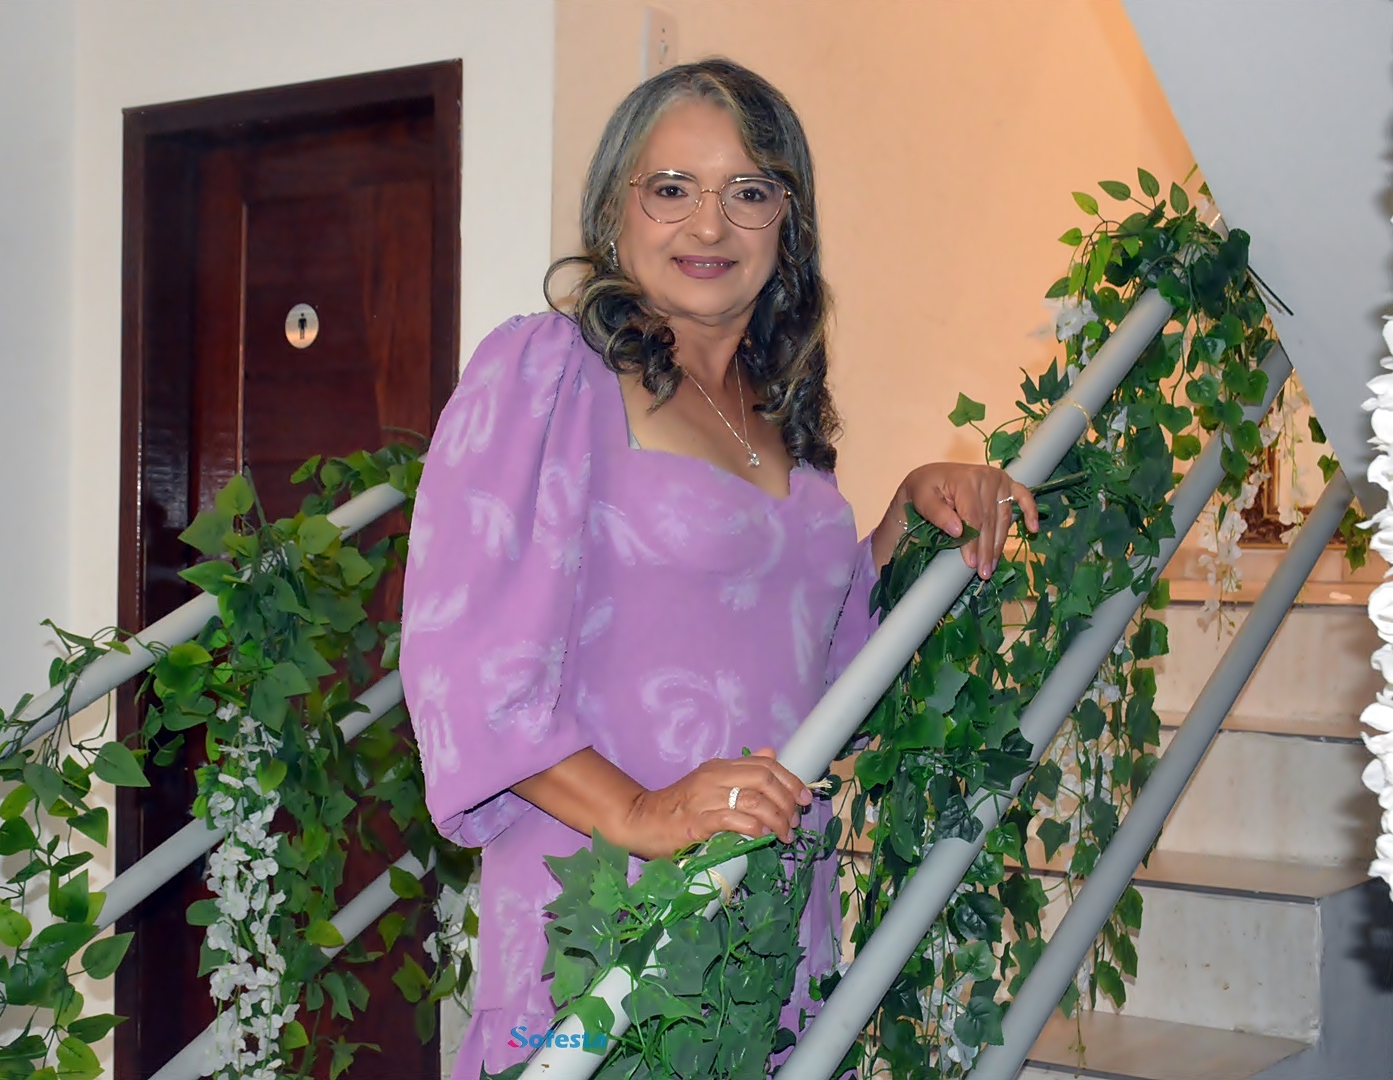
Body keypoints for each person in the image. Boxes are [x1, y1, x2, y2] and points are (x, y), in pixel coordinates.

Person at [399, 58, 1036, 1079]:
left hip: (768, 907)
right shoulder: (550, 374)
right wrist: (643, 815)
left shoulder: (784, 425)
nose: (709, 224)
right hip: (605, 904)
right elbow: (465, 669)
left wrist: (905, 520)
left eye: (748, 191)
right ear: (615, 212)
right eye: (671, 189)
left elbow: (818, 669)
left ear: (788, 222)